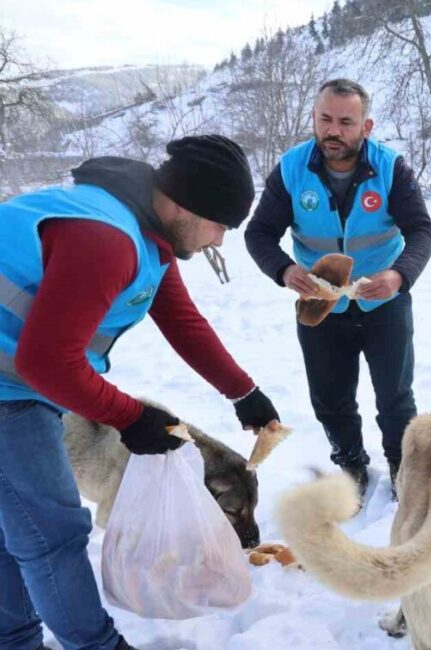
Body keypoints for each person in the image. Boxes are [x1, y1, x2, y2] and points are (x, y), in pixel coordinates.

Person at [0, 134, 281, 650]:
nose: (220, 240)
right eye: (221, 224)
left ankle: (13, 640)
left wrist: (243, 393)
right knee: (53, 532)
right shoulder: (105, 239)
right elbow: (45, 360)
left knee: (15, 526)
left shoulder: (146, 233)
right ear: (183, 204)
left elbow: (180, 319)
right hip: (12, 385)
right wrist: (131, 419)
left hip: (19, 377)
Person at [245, 79, 431, 503]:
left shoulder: (389, 167)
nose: (333, 130)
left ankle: (403, 467)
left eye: (345, 122)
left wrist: (399, 275)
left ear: (365, 126)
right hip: (319, 306)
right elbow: (258, 233)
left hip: (383, 299)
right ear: (314, 119)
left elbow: (422, 230)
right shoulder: (293, 168)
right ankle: (349, 464)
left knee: (396, 397)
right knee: (330, 398)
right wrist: (284, 269)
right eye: (325, 119)